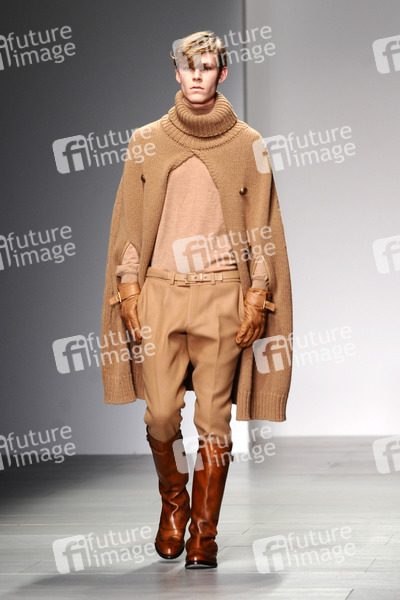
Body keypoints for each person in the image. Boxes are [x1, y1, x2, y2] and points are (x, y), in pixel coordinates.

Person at [100, 30, 293, 569]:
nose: (197, 76)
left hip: (222, 294)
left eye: (207, 67)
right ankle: (173, 504)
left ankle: (204, 533)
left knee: (214, 422)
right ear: (176, 72)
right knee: (160, 415)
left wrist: (257, 294)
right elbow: (129, 223)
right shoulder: (147, 140)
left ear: (221, 72)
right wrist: (129, 288)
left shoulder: (248, 144)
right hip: (160, 292)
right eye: (189, 67)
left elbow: (264, 225)